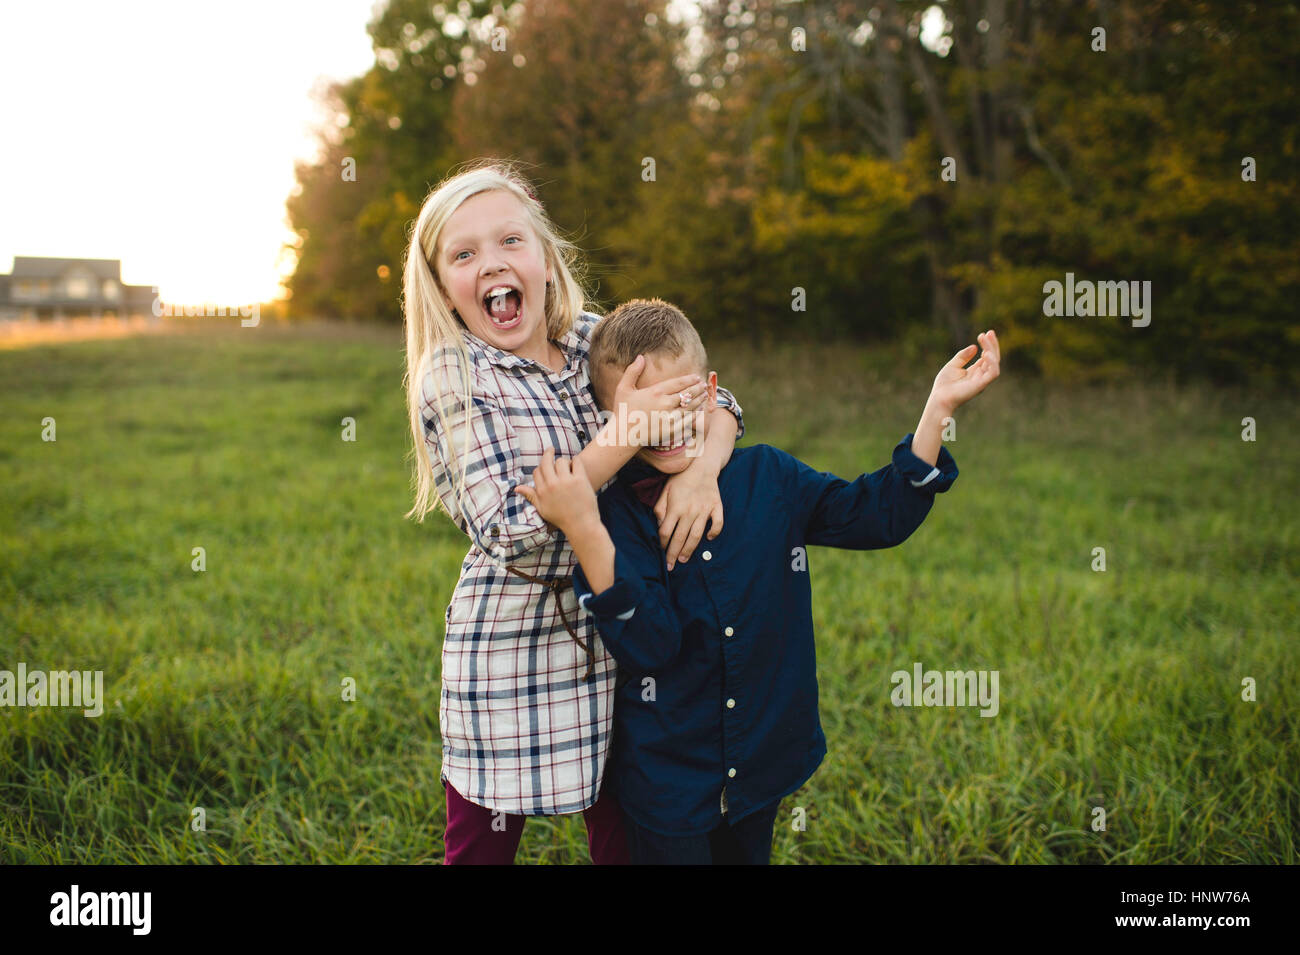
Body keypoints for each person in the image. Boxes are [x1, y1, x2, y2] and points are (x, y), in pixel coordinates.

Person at [515, 298, 1000, 864]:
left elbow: (875, 516)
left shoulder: (769, 475)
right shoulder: (617, 513)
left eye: (681, 402)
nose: (666, 426)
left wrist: (937, 408)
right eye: (644, 415)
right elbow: (651, 643)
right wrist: (585, 530)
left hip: (762, 756)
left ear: (712, 387)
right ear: (611, 420)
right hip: (668, 780)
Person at [401, 163, 747, 864]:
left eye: (510, 242)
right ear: (443, 287)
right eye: (464, 255)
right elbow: (511, 530)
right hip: (511, 658)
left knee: (624, 835)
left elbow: (714, 400)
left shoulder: (596, 341)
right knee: (482, 848)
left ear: (546, 261)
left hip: (623, 637)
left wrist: (702, 470)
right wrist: (620, 439)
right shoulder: (455, 376)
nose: (492, 263)